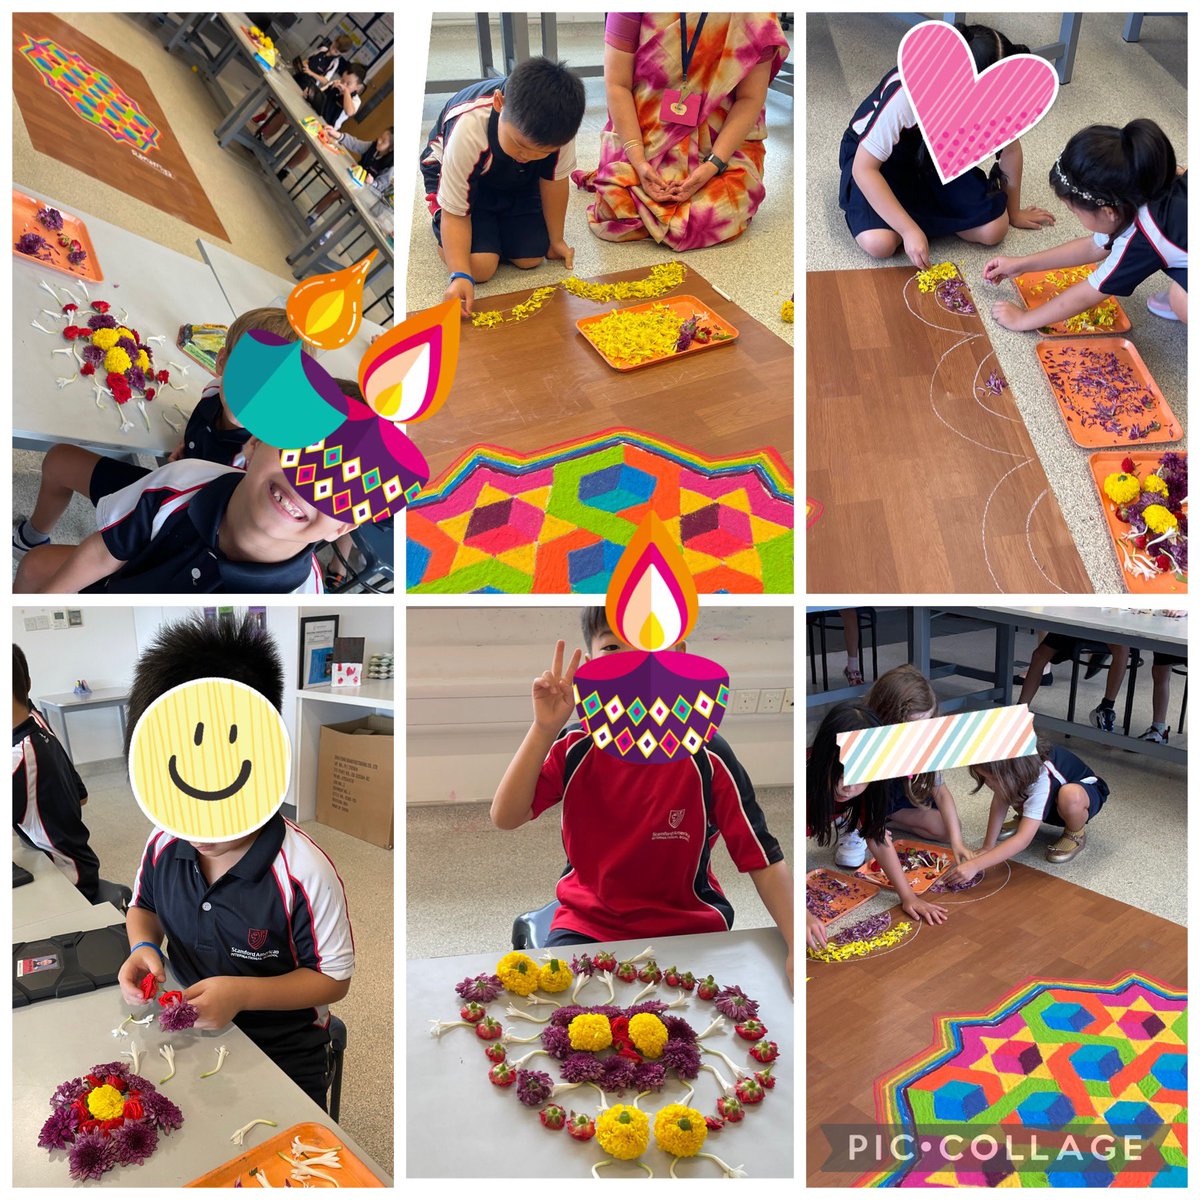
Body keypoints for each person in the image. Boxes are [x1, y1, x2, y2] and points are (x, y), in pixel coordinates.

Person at [115, 614, 353, 1107]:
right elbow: (143, 908)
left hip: (284, 1052)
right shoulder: (163, 841)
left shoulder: (303, 872)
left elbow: (333, 980)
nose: (200, 832)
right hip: (186, 1030)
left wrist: (242, 994)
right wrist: (145, 948)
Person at [491, 609, 794, 987]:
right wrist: (543, 728)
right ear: (589, 663)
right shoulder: (575, 745)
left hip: (688, 925)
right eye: (613, 647)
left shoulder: (710, 755)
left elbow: (762, 857)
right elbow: (506, 816)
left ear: (678, 654)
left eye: (649, 645)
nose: (633, 662)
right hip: (587, 922)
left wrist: (795, 941)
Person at [14, 307, 301, 562]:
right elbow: (203, 424)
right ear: (222, 362)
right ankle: (31, 538)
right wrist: (188, 449)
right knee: (59, 461)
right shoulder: (214, 391)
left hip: (173, 532)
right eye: (246, 374)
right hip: (161, 490)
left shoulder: (262, 460)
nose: (253, 396)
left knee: (38, 568)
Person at [12, 421, 356, 594]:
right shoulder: (181, 482)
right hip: (125, 580)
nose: (308, 488)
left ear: (343, 528)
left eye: (342, 490)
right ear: (254, 443)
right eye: (303, 452)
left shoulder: (302, 593)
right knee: (34, 566)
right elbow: (101, 556)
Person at [841, 22, 1054, 267]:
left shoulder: (990, 99)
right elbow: (864, 169)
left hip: (934, 158)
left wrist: (1014, 212)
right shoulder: (905, 95)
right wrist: (909, 230)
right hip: (881, 164)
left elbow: (1011, 149)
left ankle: (920, 217)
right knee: (880, 243)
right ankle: (911, 220)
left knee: (995, 229)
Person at [574, 12, 789, 250]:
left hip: (722, 139)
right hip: (643, 130)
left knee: (717, 212)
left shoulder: (754, 13)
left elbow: (750, 98)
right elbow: (617, 84)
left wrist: (712, 165)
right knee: (617, 206)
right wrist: (637, 159)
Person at [420, 57, 587, 316]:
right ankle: (455, 233)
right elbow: (456, 211)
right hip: (459, 176)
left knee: (532, 257)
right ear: (499, 103)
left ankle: (492, 228)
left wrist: (556, 240)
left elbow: (554, 181)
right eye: (519, 145)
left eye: (540, 152)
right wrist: (459, 274)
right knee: (481, 267)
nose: (527, 155)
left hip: (514, 179)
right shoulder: (469, 126)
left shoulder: (559, 129)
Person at [987, 119, 1187, 328]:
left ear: (1108, 212)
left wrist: (1023, 320)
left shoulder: (1143, 238)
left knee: (1181, 299)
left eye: (1074, 211)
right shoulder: (1148, 184)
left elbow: (1089, 294)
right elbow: (1093, 247)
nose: (1074, 215)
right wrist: (1022, 264)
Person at [806, 701, 948, 951]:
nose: (849, 787)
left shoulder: (868, 786)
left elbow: (877, 837)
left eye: (860, 778)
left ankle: (847, 823)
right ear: (822, 762)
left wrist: (908, 896)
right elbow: (780, 859)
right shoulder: (805, 783)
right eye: (840, 775)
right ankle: (845, 823)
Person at [12, 644, 101, 902]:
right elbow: (80, 796)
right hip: (64, 861)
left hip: (67, 882)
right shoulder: (35, 727)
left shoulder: (20, 758)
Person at [944, 743, 1108, 873]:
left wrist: (975, 866)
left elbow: (1023, 840)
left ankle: (1075, 833)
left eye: (990, 778)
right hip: (1048, 802)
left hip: (1081, 798)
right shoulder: (1016, 766)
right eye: (984, 778)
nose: (987, 783)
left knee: (1070, 795)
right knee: (1007, 789)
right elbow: (1000, 801)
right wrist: (988, 846)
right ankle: (1026, 817)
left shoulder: (1041, 776)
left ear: (1009, 772)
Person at [866, 666, 972, 860]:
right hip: (871, 797)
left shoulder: (925, 738)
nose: (923, 730)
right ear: (889, 718)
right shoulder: (869, 739)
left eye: (928, 720)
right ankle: (872, 819)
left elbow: (941, 793)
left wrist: (957, 843)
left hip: (901, 799)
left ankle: (887, 819)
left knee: (948, 829)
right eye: (915, 724)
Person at [1016, 633, 1130, 733]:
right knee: (1039, 655)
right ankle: (1021, 710)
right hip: (1080, 621)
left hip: (1108, 625)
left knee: (1122, 646)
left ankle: (1106, 708)